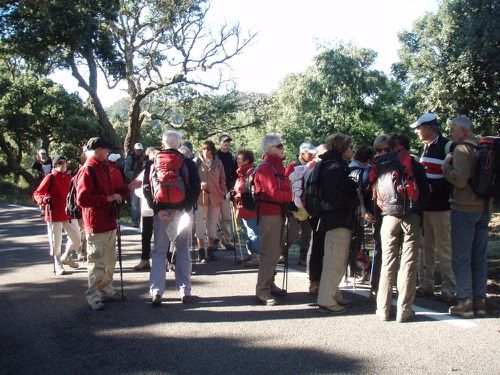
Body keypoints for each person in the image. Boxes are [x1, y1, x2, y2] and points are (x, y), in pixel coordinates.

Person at [76, 137, 141, 311]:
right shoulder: (87, 170)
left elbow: (114, 193)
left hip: (109, 221)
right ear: (96, 150)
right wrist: (108, 198)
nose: (108, 152)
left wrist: (130, 187)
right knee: (97, 261)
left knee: (110, 260)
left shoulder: (104, 168)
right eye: (105, 149)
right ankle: (93, 295)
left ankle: (106, 289)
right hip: (96, 223)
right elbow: (82, 200)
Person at [373, 134, 429, 323]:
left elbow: (374, 190)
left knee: (387, 262)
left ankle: (383, 309)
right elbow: (425, 193)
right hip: (411, 216)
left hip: (388, 216)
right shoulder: (415, 165)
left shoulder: (382, 164)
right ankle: (404, 311)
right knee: (408, 263)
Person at [442, 115, 490, 318]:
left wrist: (446, 166)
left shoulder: (461, 149)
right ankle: (479, 302)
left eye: (453, 129)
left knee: (461, 258)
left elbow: (460, 181)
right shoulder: (482, 148)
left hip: (464, 209)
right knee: (479, 257)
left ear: (463, 131)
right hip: (484, 208)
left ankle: (464, 302)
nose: (450, 133)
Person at [146, 131, 201, 306]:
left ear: (163, 143)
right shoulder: (187, 163)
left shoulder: (153, 162)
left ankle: (156, 292)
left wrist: (157, 209)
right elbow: (195, 188)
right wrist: (183, 209)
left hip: (161, 213)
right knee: (183, 250)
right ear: (179, 144)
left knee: (160, 252)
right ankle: (184, 291)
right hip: (182, 213)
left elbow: (147, 188)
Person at [411, 113, 456, 302]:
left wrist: (431, 188)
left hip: (442, 208)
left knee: (444, 249)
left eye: (419, 128)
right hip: (426, 209)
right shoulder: (425, 148)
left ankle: (450, 289)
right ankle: (426, 285)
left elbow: (455, 178)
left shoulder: (448, 146)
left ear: (429, 128)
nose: (417, 132)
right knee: (425, 248)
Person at [316, 134, 359, 314]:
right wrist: (352, 201)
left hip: (336, 218)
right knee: (334, 261)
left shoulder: (333, 164)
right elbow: (335, 196)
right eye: (350, 147)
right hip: (337, 219)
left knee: (337, 261)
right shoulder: (334, 166)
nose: (353, 150)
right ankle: (326, 299)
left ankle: (334, 294)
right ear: (342, 148)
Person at [254, 133, 292, 306]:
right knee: (269, 253)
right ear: (270, 149)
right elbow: (274, 193)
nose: (283, 147)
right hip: (269, 214)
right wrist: (294, 196)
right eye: (280, 145)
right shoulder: (266, 168)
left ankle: (269, 283)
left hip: (277, 213)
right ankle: (262, 290)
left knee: (275, 252)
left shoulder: (277, 167)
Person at [33, 155, 81, 275]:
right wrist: (44, 199)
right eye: (60, 163)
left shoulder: (70, 178)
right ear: (55, 165)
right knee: (56, 241)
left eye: (65, 162)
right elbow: (37, 193)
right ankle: (57, 262)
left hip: (69, 214)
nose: (63, 165)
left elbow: (77, 193)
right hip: (54, 213)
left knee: (77, 238)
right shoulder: (50, 178)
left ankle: (66, 257)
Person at [365, 135, 390, 302]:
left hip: (378, 213)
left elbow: (365, 190)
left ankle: (375, 288)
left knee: (379, 250)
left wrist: (367, 210)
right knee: (392, 252)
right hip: (395, 213)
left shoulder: (371, 167)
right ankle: (388, 286)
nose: (381, 153)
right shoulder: (399, 163)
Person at [194, 140, 226, 262]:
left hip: (215, 198)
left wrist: (221, 192)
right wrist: (199, 186)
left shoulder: (218, 163)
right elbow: (190, 180)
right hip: (200, 198)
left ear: (213, 151)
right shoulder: (196, 162)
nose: (207, 151)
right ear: (201, 150)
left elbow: (223, 179)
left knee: (212, 224)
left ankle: (211, 249)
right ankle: (201, 251)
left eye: (209, 149)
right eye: (204, 149)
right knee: (201, 225)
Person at [285, 142, 316, 266]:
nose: (312, 155)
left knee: (307, 232)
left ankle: (303, 257)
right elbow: (286, 182)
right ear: (302, 153)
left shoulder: (314, 165)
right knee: (293, 230)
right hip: (294, 204)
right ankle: (282, 252)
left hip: (308, 204)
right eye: (310, 153)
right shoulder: (292, 165)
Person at [232, 149, 260, 267]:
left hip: (249, 207)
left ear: (246, 161)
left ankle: (257, 256)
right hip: (243, 207)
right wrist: (233, 193)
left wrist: (236, 195)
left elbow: (249, 191)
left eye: (239, 159)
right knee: (247, 232)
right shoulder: (243, 173)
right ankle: (251, 254)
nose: (237, 160)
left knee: (253, 232)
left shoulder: (250, 173)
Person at [133, 147, 159, 271]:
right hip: (151, 208)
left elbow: (137, 188)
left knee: (155, 235)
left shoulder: (158, 169)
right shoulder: (146, 170)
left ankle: (158, 259)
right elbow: (137, 187)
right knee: (149, 235)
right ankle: (146, 259)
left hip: (156, 208)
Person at [216, 134, 237, 250]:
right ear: (220, 143)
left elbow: (234, 174)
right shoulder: (215, 157)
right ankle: (214, 240)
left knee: (227, 217)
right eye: (224, 142)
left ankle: (226, 240)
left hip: (227, 190)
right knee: (215, 217)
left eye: (228, 142)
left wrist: (232, 188)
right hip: (215, 190)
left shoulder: (232, 157)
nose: (227, 143)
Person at [124, 142, 146, 227]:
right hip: (133, 183)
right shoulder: (130, 158)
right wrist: (137, 175)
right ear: (134, 150)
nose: (139, 152)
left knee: (142, 203)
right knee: (134, 203)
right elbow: (126, 171)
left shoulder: (144, 158)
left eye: (140, 150)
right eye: (137, 150)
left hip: (143, 183)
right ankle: (134, 221)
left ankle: (141, 221)